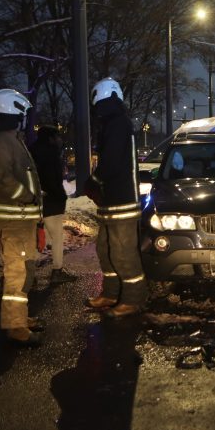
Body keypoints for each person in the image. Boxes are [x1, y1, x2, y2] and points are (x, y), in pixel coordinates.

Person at [0, 88, 44, 346]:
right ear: (14, 111)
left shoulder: (11, 139)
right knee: (17, 273)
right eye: (23, 114)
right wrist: (27, 196)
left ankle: (19, 317)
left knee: (25, 270)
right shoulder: (1, 141)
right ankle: (15, 326)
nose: (25, 119)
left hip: (23, 220)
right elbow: (0, 179)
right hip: (15, 220)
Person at [84, 77, 148, 317]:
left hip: (122, 203)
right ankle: (110, 293)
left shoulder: (119, 124)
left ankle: (133, 298)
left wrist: (93, 181)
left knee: (123, 252)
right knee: (106, 249)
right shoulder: (112, 124)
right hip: (112, 203)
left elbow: (111, 163)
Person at [31, 124, 77, 283]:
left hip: (34, 203)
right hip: (51, 202)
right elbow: (53, 181)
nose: (59, 139)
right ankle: (57, 270)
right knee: (56, 237)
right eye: (57, 136)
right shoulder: (52, 154)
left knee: (37, 237)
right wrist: (60, 196)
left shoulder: (31, 152)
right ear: (51, 138)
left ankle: (30, 275)